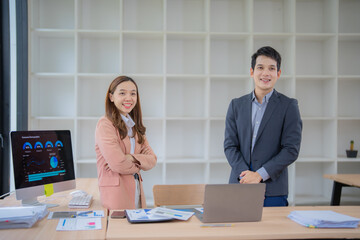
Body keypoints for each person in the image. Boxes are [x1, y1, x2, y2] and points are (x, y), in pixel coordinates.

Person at [224, 46, 302, 207]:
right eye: (260, 67)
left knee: (272, 231)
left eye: (271, 68)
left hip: (272, 189)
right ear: (252, 72)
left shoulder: (289, 106)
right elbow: (230, 146)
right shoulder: (236, 105)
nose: (266, 73)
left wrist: (259, 175)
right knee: (238, 231)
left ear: (278, 74)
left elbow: (291, 149)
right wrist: (246, 176)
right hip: (239, 184)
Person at [95, 76, 157, 210]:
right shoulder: (105, 124)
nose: (129, 98)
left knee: (136, 229)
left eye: (133, 93)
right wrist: (140, 164)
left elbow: (152, 159)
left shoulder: (135, 126)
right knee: (119, 229)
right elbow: (118, 164)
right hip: (116, 193)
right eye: (122, 93)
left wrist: (132, 157)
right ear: (111, 97)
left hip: (136, 189)